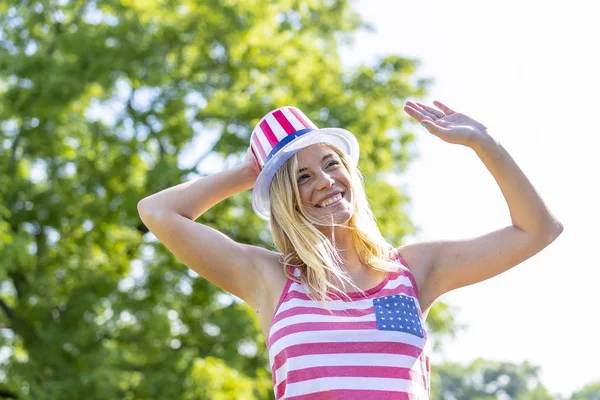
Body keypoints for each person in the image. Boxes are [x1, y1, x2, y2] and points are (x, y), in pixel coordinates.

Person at [137, 101, 563, 399]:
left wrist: (482, 142)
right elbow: (157, 211)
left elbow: (538, 230)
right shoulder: (270, 279)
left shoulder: (414, 269)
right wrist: (255, 171)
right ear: (285, 197)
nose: (324, 180)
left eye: (331, 163)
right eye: (301, 177)